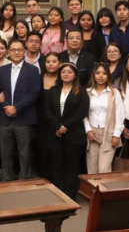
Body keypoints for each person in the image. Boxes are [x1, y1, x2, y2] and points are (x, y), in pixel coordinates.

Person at [0, 38, 41, 181]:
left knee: (25, 153)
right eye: (13, 50)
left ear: (24, 51)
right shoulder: (2, 70)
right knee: (5, 153)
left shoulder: (33, 70)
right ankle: (7, 180)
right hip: (5, 118)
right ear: (8, 52)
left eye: (19, 49)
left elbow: (34, 93)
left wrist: (16, 108)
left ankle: (24, 181)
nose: (16, 52)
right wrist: (6, 107)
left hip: (24, 118)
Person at [45, 63, 90, 198]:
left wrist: (65, 126)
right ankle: (57, 195)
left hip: (74, 135)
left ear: (75, 75)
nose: (66, 74)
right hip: (55, 134)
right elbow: (46, 110)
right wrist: (58, 126)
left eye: (69, 72)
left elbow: (82, 112)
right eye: (63, 71)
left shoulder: (81, 91)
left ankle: (70, 196)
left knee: (72, 167)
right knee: (57, 166)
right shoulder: (53, 90)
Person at [84, 63, 125, 174]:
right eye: (98, 73)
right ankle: (92, 186)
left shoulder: (114, 92)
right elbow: (84, 114)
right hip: (92, 132)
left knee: (104, 169)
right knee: (92, 168)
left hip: (109, 133)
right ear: (93, 75)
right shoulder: (87, 92)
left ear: (108, 76)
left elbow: (120, 114)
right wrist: (88, 130)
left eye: (104, 73)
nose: (101, 76)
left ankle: (104, 186)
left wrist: (116, 135)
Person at [37, 52, 61, 178]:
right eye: (48, 62)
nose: (51, 64)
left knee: (56, 152)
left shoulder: (63, 79)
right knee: (41, 151)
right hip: (40, 121)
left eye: (54, 61)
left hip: (58, 121)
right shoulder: (39, 78)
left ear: (60, 63)